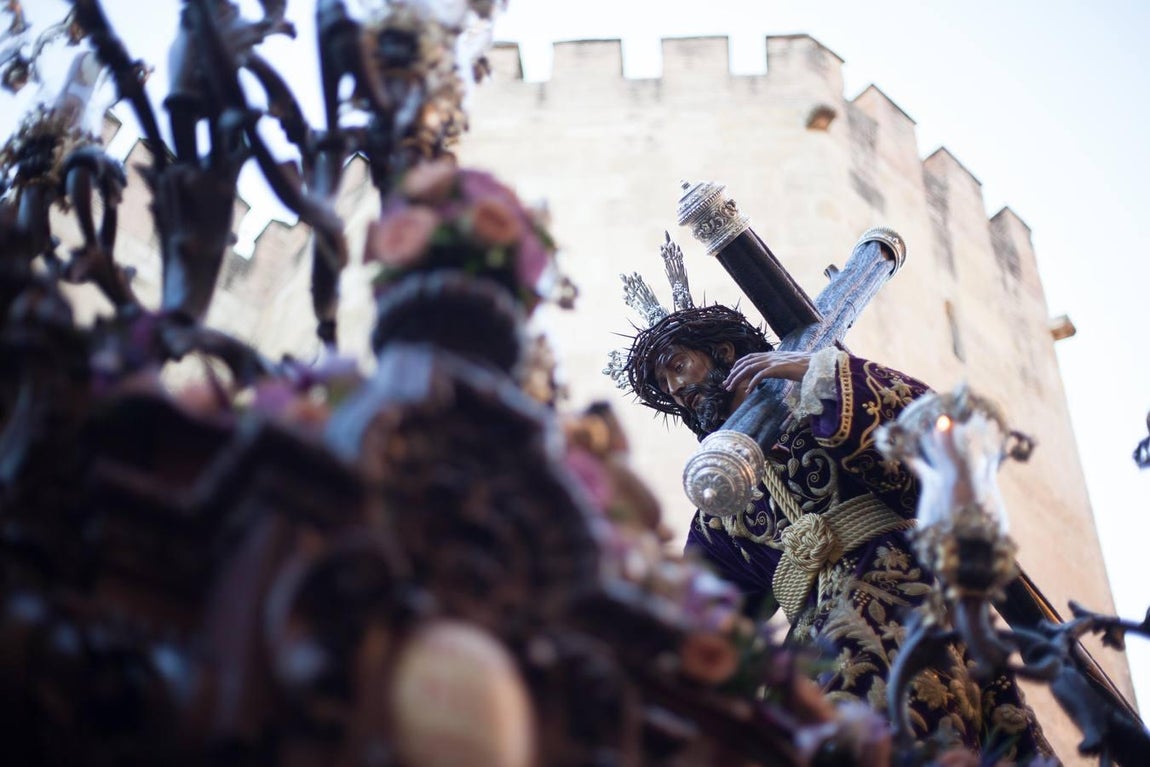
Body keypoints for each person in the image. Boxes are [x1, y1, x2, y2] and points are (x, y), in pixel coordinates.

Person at [606, 257, 1052, 762]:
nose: (674, 387)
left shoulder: (818, 401)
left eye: (677, 365)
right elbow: (703, 609)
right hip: (813, 645)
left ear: (723, 352)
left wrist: (811, 371)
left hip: (900, 592)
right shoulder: (718, 502)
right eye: (664, 385)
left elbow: (925, 430)